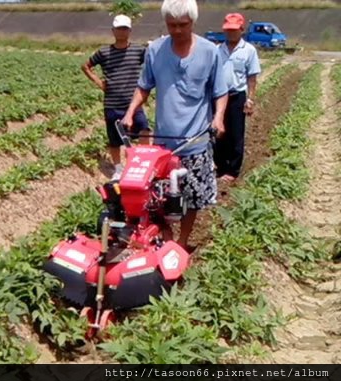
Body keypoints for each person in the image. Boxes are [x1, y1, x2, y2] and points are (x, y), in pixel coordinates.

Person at [121, 0, 228, 251]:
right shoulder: (156, 51)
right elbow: (143, 87)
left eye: (183, 25)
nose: (177, 30)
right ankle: (165, 238)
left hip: (195, 142)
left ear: (193, 22)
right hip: (163, 145)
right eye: (172, 25)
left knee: (192, 199)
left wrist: (219, 117)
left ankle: (182, 241)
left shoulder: (210, 51)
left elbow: (220, 92)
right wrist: (130, 112)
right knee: (157, 197)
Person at [81, 14, 150, 180]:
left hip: (133, 104)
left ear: (130, 31)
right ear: (113, 31)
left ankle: (140, 164)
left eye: (125, 28)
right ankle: (118, 169)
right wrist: (100, 83)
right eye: (119, 28)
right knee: (114, 139)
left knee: (144, 131)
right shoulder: (104, 52)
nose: (122, 31)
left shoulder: (139, 50)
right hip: (112, 103)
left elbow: (152, 62)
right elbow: (86, 66)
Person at [214, 12, 261, 182]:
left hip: (237, 96)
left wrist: (250, 99)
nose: (230, 33)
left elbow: (252, 77)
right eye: (228, 30)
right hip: (219, 97)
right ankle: (220, 166)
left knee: (235, 134)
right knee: (218, 132)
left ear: (241, 30)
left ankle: (233, 170)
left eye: (234, 30)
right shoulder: (217, 50)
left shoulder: (248, 50)